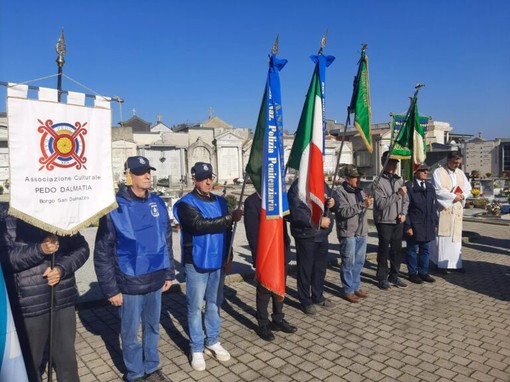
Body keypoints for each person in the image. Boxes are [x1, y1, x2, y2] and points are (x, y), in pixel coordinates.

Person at [94, 156, 175, 382]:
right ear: (129, 176)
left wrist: (169, 272)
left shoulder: (157, 202)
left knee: (152, 328)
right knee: (130, 335)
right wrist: (111, 289)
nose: (148, 175)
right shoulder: (115, 208)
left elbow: (166, 238)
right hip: (129, 283)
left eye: (148, 171)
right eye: (141, 172)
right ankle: (135, 373)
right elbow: (102, 251)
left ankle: (151, 369)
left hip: (156, 278)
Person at [0, 203, 89, 382]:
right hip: (30, 305)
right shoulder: (6, 218)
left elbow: (82, 248)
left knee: (68, 362)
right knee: (31, 364)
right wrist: (39, 249)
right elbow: (6, 259)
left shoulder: (58, 214)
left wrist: (61, 269)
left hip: (62, 299)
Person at [173, 162, 243, 372]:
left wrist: (229, 254)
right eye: (203, 178)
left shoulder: (221, 201)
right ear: (194, 179)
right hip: (196, 261)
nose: (208, 181)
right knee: (194, 307)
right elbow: (198, 225)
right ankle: (196, 347)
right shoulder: (186, 203)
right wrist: (230, 217)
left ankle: (212, 340)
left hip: (217, 260)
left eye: (209, 177)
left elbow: (227, 231)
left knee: (214, 303)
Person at [243, 192, 297, 341]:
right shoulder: (252, 202)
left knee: (280, 288)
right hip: (265, 255)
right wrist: (257, 258)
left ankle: (278, 319)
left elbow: (291, 217)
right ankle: (263, 322)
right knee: (264, 291)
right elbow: (252, 234)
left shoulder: (279, 198)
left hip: (281, 251)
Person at [288, 179, 338, 315]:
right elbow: (297, 211)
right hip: (306, 235)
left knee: (319, 269)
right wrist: (317, 221)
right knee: (305, 270)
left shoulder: (321, 183)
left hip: (322, 235)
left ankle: (318, 296)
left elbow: (334, 199)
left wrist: (333, 203)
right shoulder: (297, 187)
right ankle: (305, 300)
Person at [335, 165, 373, 303]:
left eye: (358, 177)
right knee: (348, 263)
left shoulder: (360, 191)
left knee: (359, 262)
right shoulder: (340, 192)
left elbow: (362, 206)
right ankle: (348, 290)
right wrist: (362, 204)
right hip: (348, 232)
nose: (357, 179)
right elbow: (344, 212)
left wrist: (367, 201)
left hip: (362, 231)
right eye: (354, 177)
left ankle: (356, 286)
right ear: (347, 178)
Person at [373, 151, 409, 290]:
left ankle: (394, 275)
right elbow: (381, 204)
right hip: (384, 221)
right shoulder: (378, 181)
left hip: (398, 220)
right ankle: (382, 277)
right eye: (392, 163)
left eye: (395, 163)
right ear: (384, 163)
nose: (394, 166)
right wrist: (397, 194)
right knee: (384, 250)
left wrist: (403, 213)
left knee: (396, 250)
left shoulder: (399, 180)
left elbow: (406, 200)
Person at [430, 151, 472, 274]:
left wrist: (463, 195)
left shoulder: (460, 173)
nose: (457, 165)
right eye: (455, 162)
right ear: (448, 160)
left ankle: (455, 264)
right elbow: (437, 190)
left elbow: (468, 188)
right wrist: (453, 197)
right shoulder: (438, 172)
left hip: (457, 209)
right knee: (443, 238)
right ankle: (440, 264)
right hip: (445, 209)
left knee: (456, 239)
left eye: (459, 163)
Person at [404, 163, 438, 283]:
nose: (425, 172)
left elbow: (434, 206)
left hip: (428, 223)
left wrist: (435, 223)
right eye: (423, 170)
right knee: (412, 250)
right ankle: (412, 273)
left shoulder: (429, 187)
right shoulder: (409, 186)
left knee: (425, 250)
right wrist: (408, 225)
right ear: (415, 172)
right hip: (414, 224)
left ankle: (423, 272)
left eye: (427, 170)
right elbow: (405, 208)